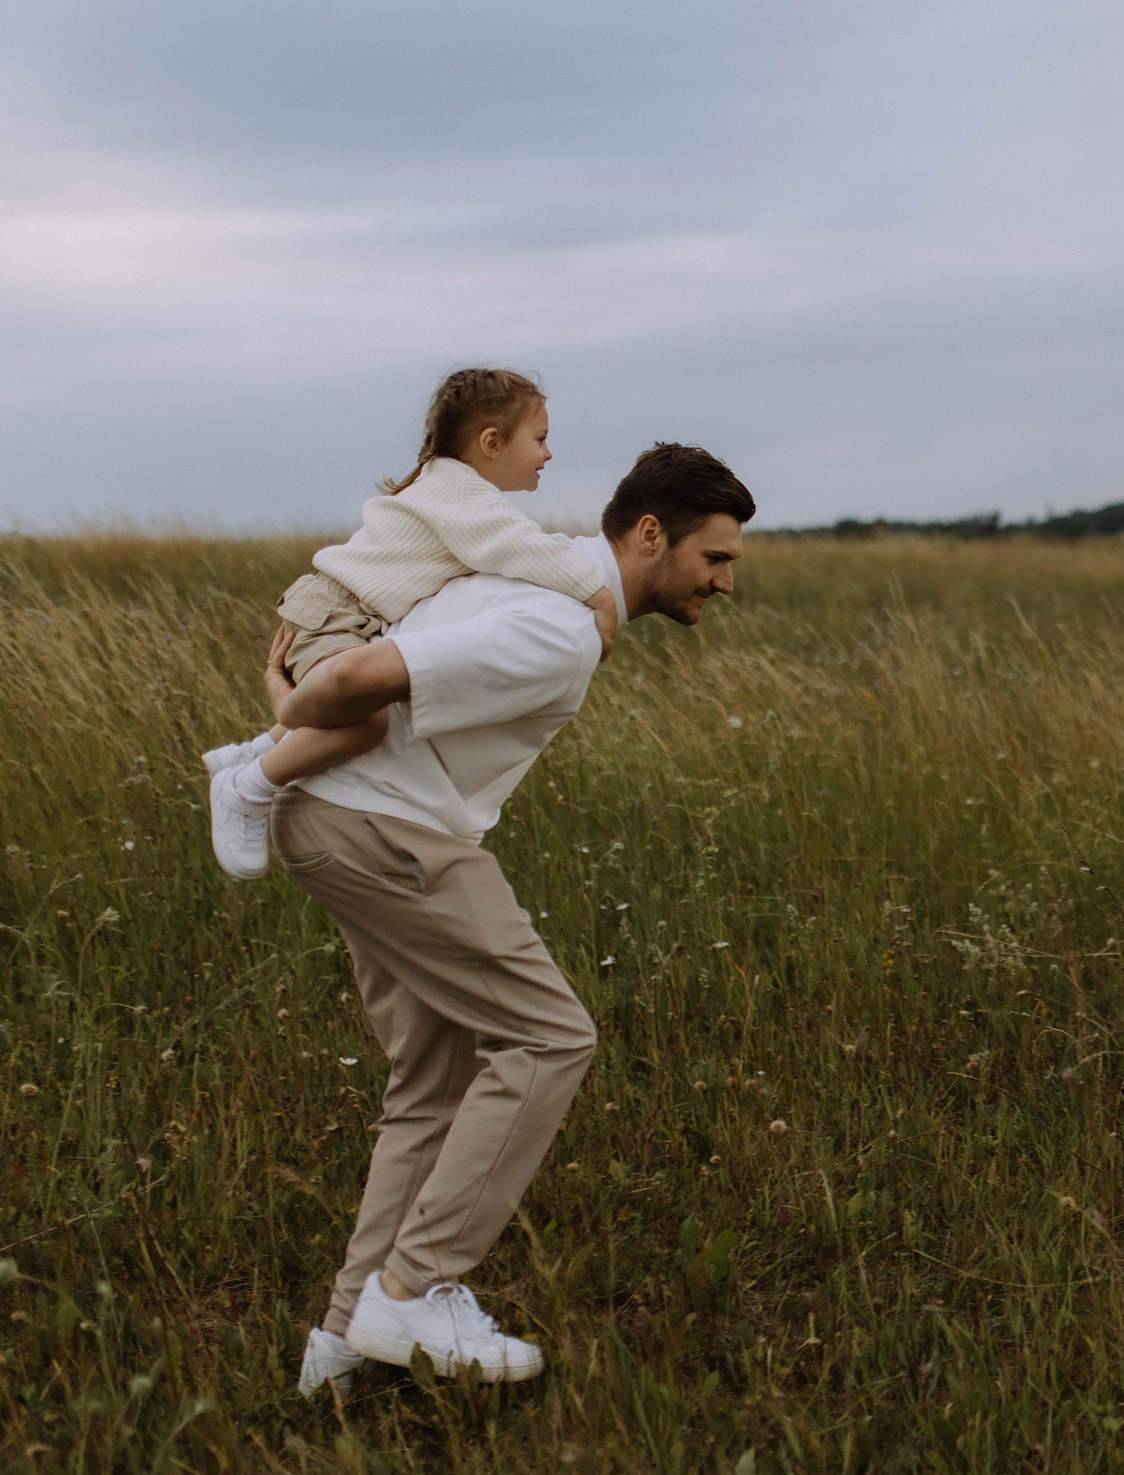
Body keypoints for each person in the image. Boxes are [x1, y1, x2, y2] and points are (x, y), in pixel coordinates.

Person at [276, 443, 754, 1396]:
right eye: (716, 558)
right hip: (387, 826)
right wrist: (276, 734)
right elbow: (372, 672)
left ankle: (339, 1352)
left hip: (346, 816)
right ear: (650, 535)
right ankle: (415, 1289)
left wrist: (278, 731)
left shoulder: (542, 588)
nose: (727, 582)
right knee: (549, 1038)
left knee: (436, 1076)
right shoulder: (558, 626)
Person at [205, 368, 621, 881]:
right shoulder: (463, 497)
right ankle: (248, 787)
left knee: (354, 709)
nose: (549, 454)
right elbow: (521, 548)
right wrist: (599, 596)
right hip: (336, 613)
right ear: (491, 442)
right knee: (368, 723)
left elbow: (523, 545)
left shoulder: (454, 490)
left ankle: (257, 751)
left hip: (346, 617)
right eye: (540, 439)